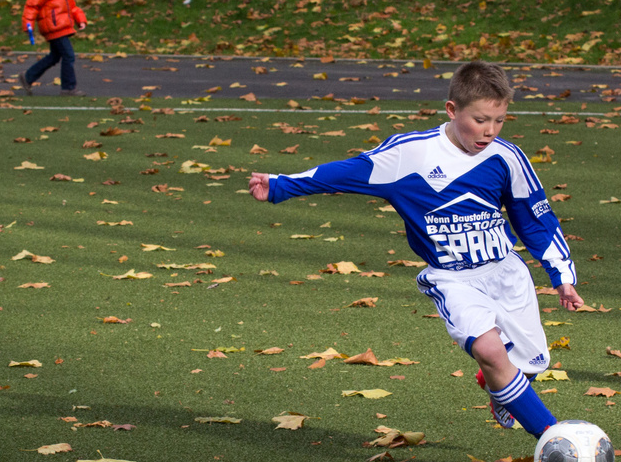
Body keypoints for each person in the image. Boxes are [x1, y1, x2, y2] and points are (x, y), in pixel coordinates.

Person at [248, 60, 581, 442]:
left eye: (500, 120)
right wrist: (279, 185)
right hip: (453, 279)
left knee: (533, 361)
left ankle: (499, 386)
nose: (490, 131)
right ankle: (556, 441)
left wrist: (562, 276)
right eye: (480, 119)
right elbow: (347, 172)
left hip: (507, 274)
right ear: (452, 111)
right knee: (490, 350)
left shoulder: (507, 157)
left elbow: (536, 218)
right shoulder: (411, 155)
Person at [20, 0, 87, 97]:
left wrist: (80, 18)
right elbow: (32, 5)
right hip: (53, 26)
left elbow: (70, 4)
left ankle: (28, 77)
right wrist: (28, 24)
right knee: (68, 55)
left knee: (55, 56)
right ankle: (68, 88)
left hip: (61, 25)